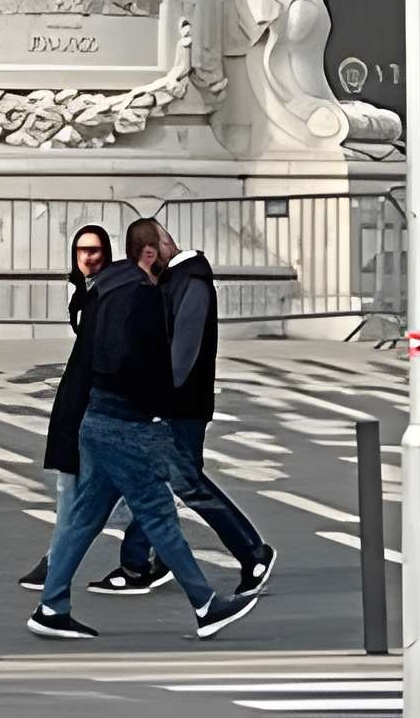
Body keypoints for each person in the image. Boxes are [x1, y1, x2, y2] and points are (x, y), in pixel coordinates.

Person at [27, 218, 269, 642]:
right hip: (125, 423)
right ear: (151, 254)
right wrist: (155, 407)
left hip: (95, 418)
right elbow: (127, 360)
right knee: (158, 513)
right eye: (166, 249)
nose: (171, 261)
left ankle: (51, 605)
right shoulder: (138, 295)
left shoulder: (106, 285)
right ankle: (206, 605)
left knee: (85, 516)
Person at [89, 220, 277, 602]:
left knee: (186, 482)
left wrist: (157, 400)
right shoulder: (175, 282)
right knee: (159, 479)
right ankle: (139, 563)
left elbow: (183, 354)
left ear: (156, 250)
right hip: (173, 403)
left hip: (182, 406)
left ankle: (252, 552)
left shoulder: (192, 281)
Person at [17, 223, 111, 593]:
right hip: (81, 403)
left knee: (77, 490)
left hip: (91, 405)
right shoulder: (85, 293)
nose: (88, 257)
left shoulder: (106, 295)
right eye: (81, 251)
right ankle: (149, 555)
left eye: (95, 250)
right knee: (126, 492)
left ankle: (56, 567)